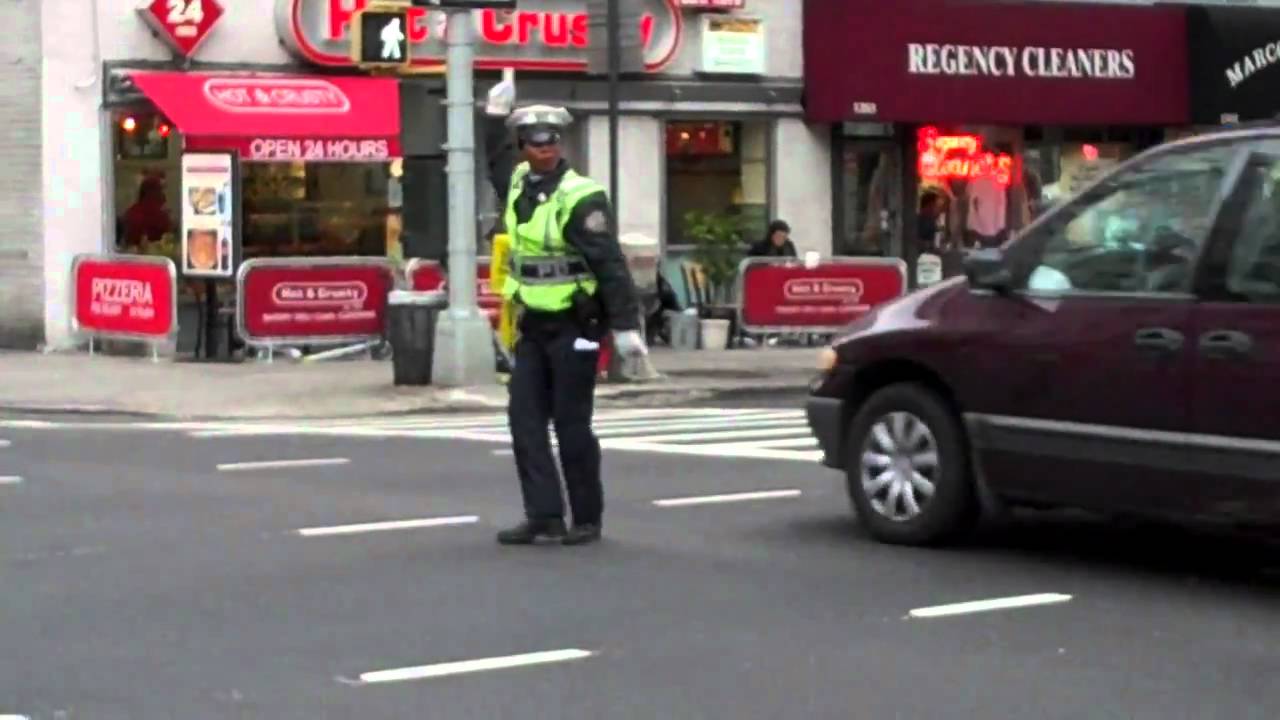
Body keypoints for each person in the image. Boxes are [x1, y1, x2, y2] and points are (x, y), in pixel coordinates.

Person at [495, 105, 647, 547]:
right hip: (534, 323)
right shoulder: (519, 184)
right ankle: (543, 515)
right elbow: (489, 163)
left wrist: (625, 326)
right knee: (523, 420)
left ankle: (586, 517)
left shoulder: (581, 196)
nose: (546, 149)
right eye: (536, 142)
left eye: (553, 141)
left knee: (571, 423)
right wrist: (491, 115)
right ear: (522, 147)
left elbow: (610, 263)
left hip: (576, 324)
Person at [120, 177, 172, 250]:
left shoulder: (131, 211)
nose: (164, 194)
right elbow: (168, 235)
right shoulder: (159, 214)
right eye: (161, 190)